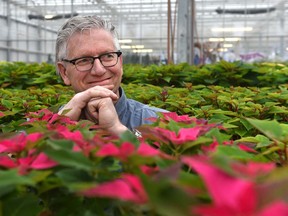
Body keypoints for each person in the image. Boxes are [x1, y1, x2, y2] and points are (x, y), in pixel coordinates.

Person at [55, 15, 167, 136]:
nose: (99, 70)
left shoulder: (161, 123)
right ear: (64, 72)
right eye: (84, 60)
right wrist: (57, 128)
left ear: (120, 62)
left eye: (108, 56)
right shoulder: (43, 125)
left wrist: (117, 129)